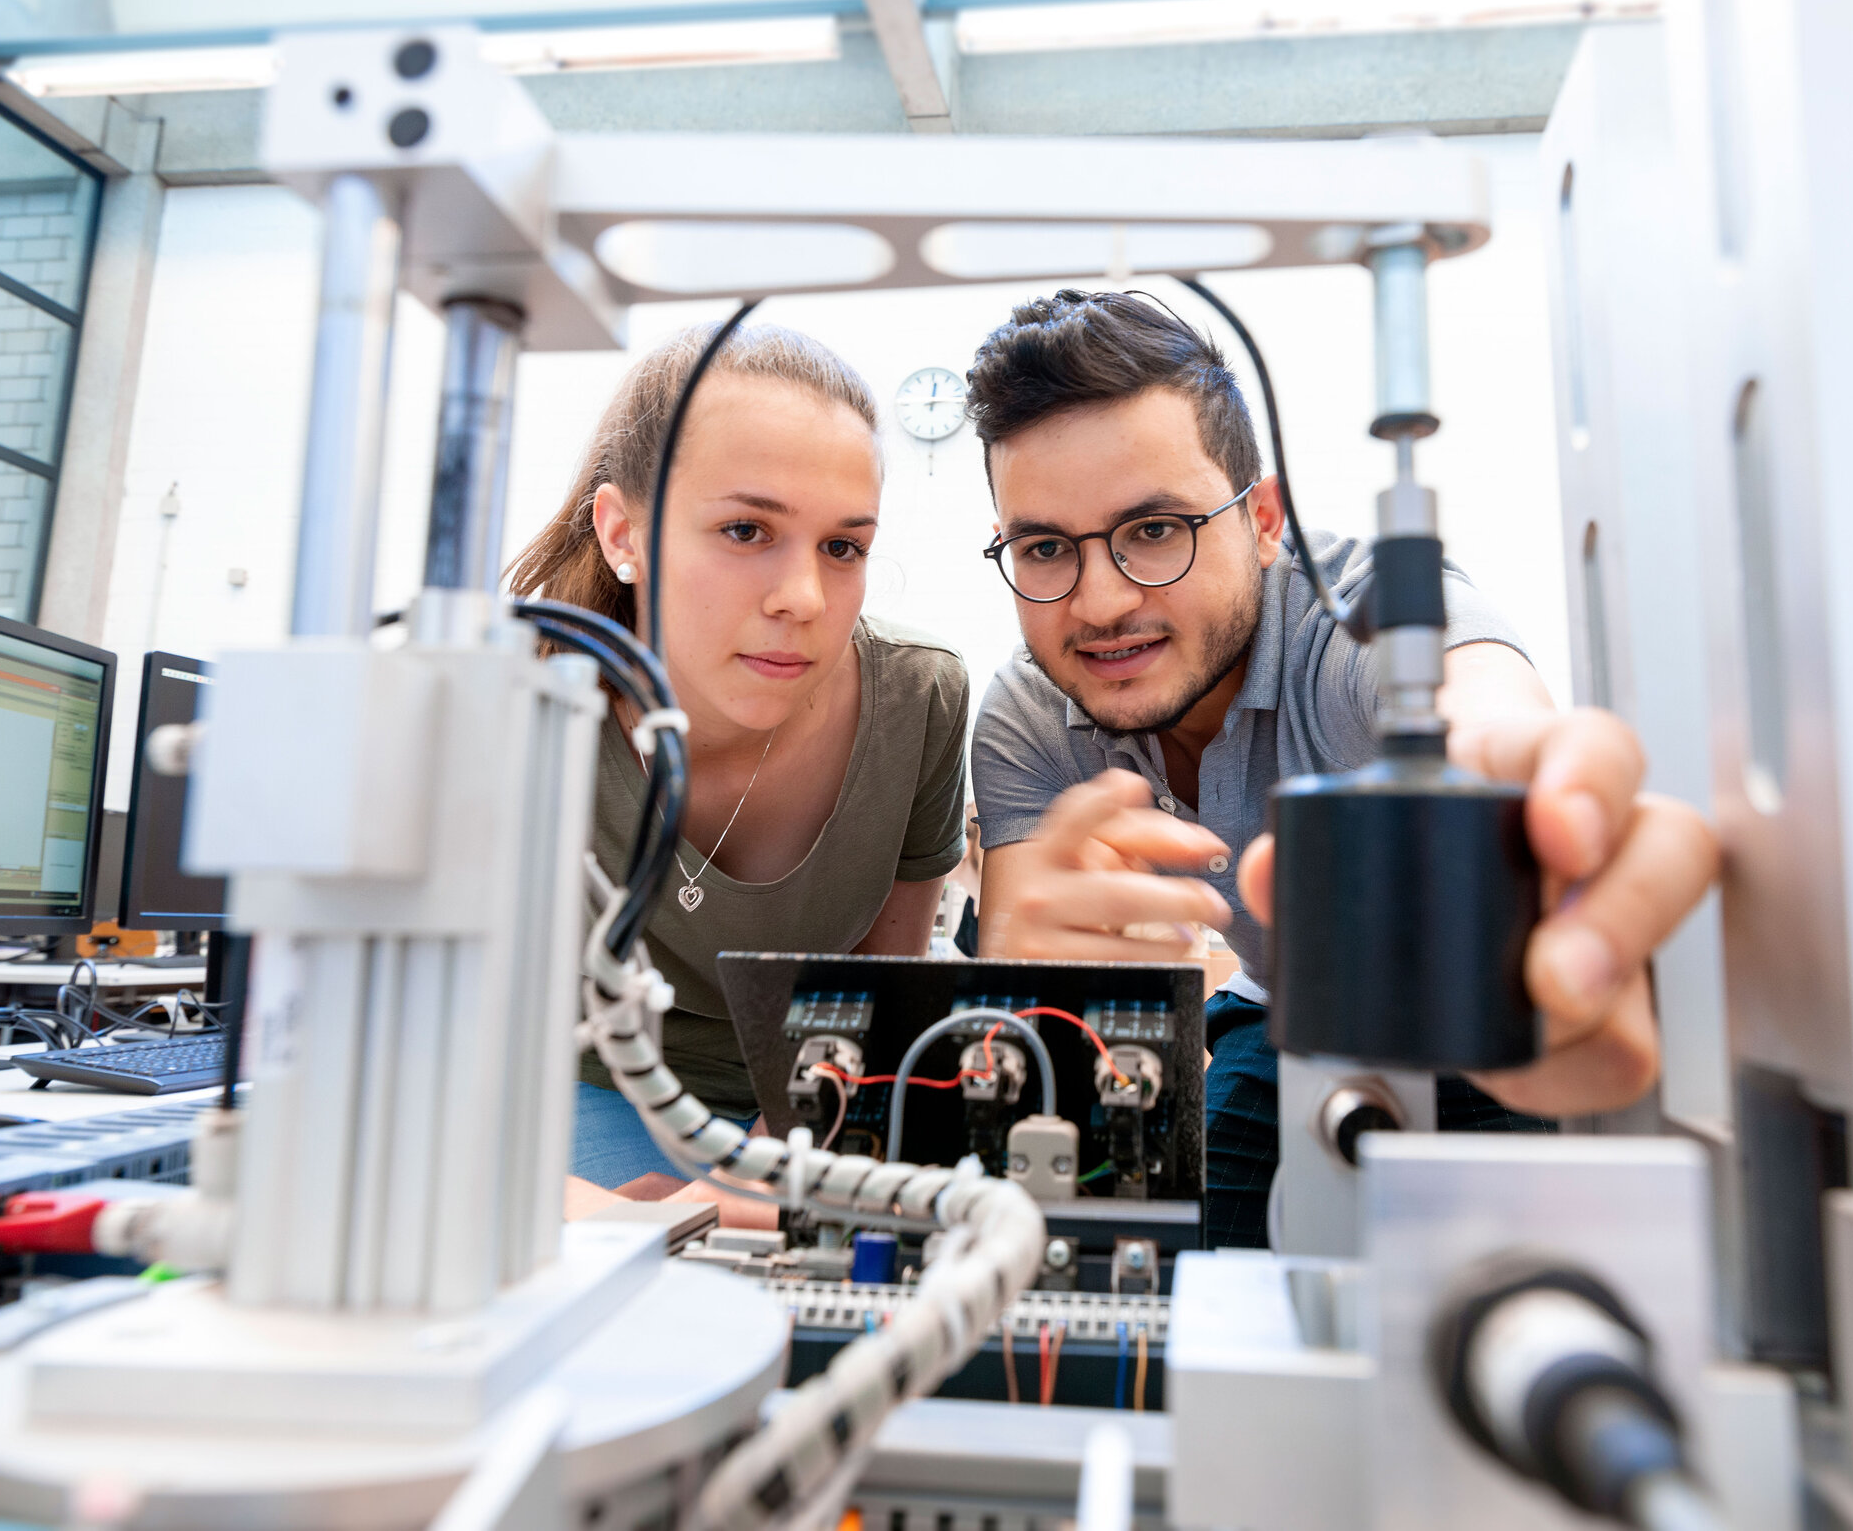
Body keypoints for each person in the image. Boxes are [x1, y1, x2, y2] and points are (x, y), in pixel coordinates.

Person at [963, 290, 1718, 1246]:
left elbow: (1480, 713)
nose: (1102, 601)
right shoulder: (1029, 715)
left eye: (1155, 530)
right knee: (1206, 1262)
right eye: (1043, 548)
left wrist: (1535, 813)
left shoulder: (1362, 629)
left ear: (1265, 519)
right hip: (1281, 1013)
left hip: (1465, 1001)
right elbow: (1043, 999)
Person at [507, 323, 971, 1188]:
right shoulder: (520, 700)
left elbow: (878, 984)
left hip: (817, 1082)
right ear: (623, 536)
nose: (802, 598)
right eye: (747, 530)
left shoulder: (920, 699)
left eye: (843, 547)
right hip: (583, 1080)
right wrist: (584, 1211)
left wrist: (756, 1176)